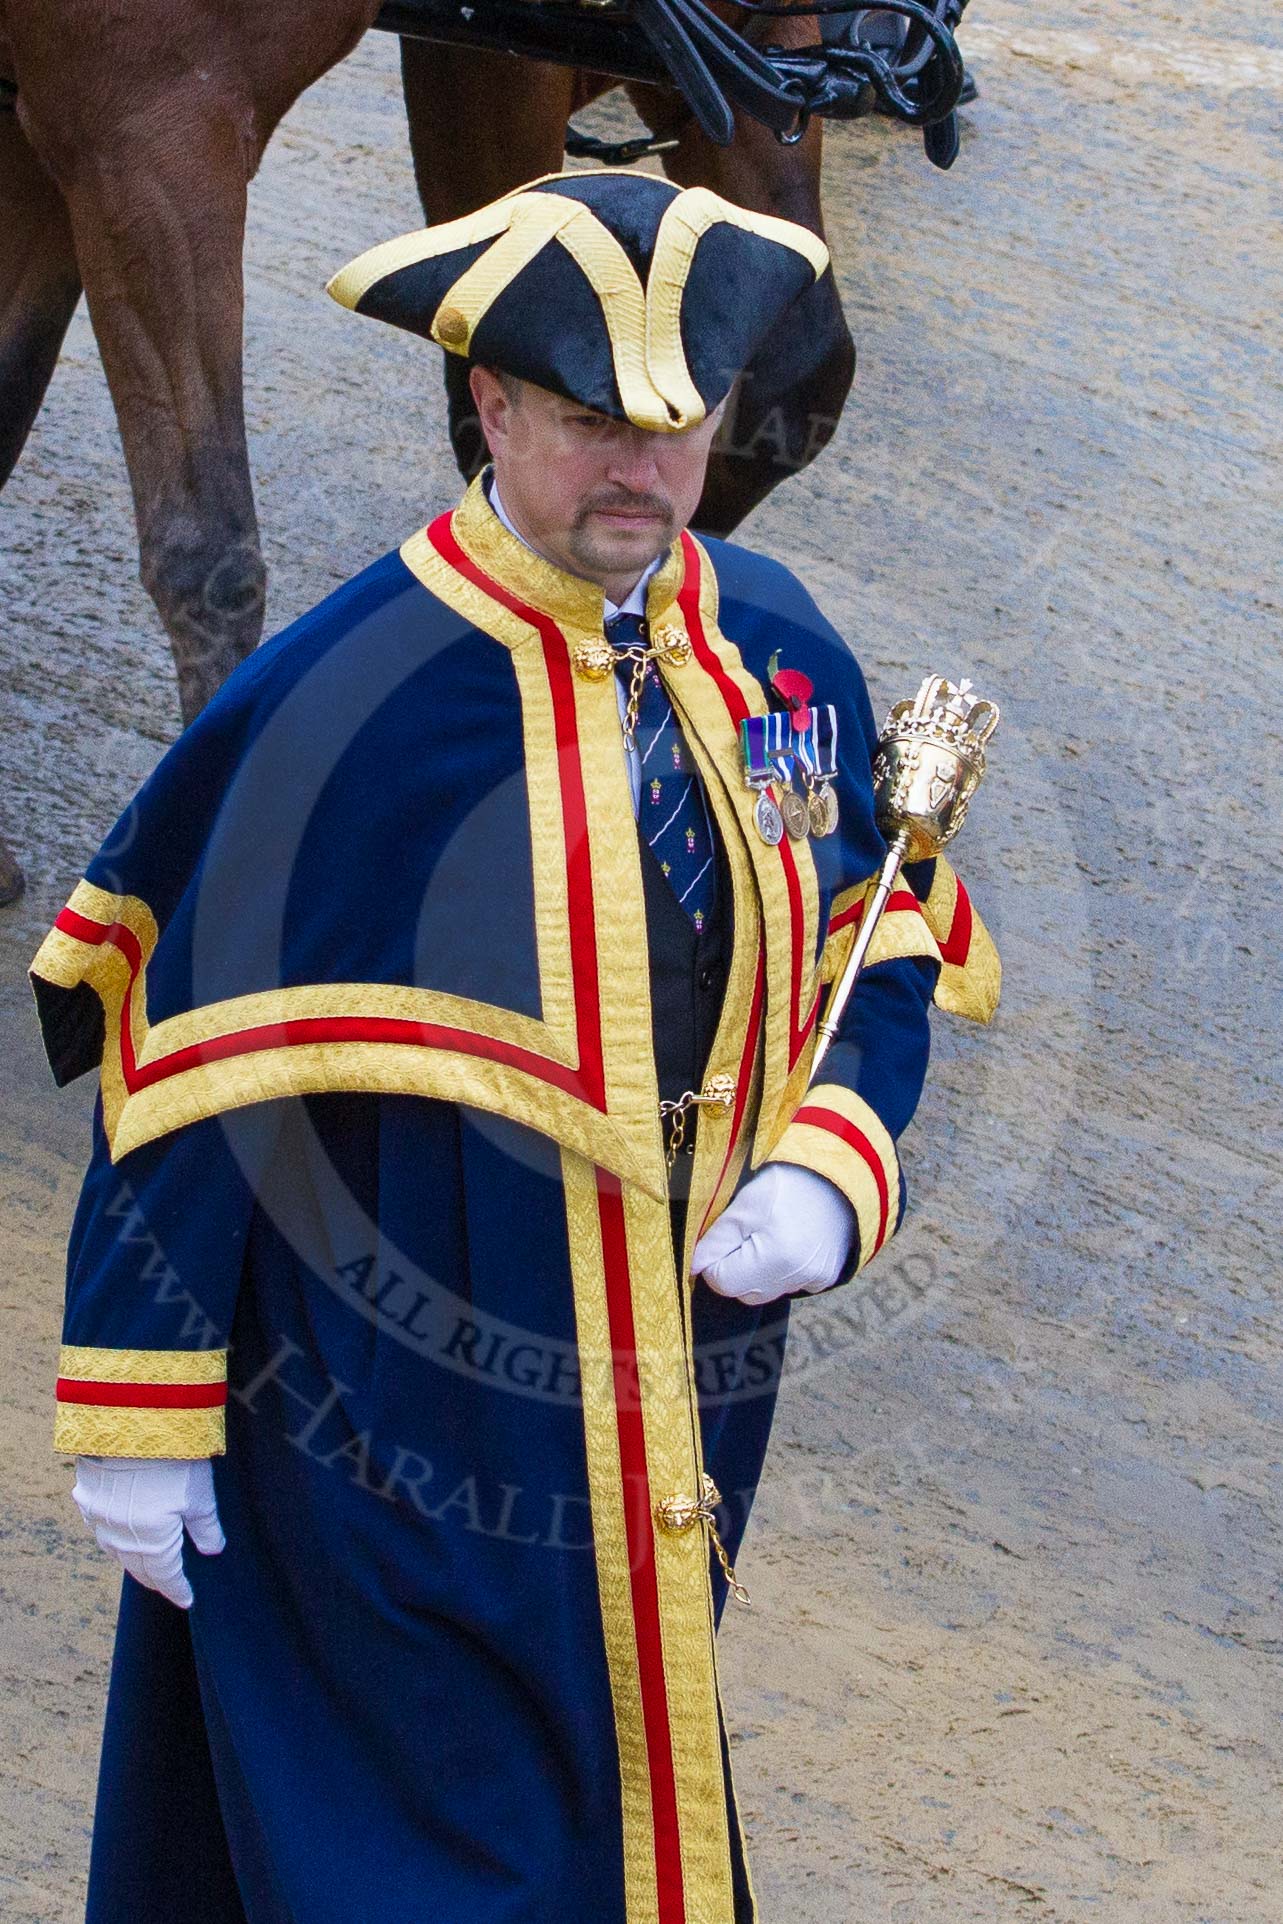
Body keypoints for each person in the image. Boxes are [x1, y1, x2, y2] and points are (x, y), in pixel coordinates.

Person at [31, 170, 999, 1924]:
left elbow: (878, 930)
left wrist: (834, 1162)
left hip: (687, 1371)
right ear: (489, 406)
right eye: (591, 423)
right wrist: (142, 1393)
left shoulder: (780, 646)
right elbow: (181, 1066)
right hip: (391, 1384)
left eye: (678, 426)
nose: (644, 471)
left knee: (623, 1767)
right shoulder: (342, 695)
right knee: (427, 1838)